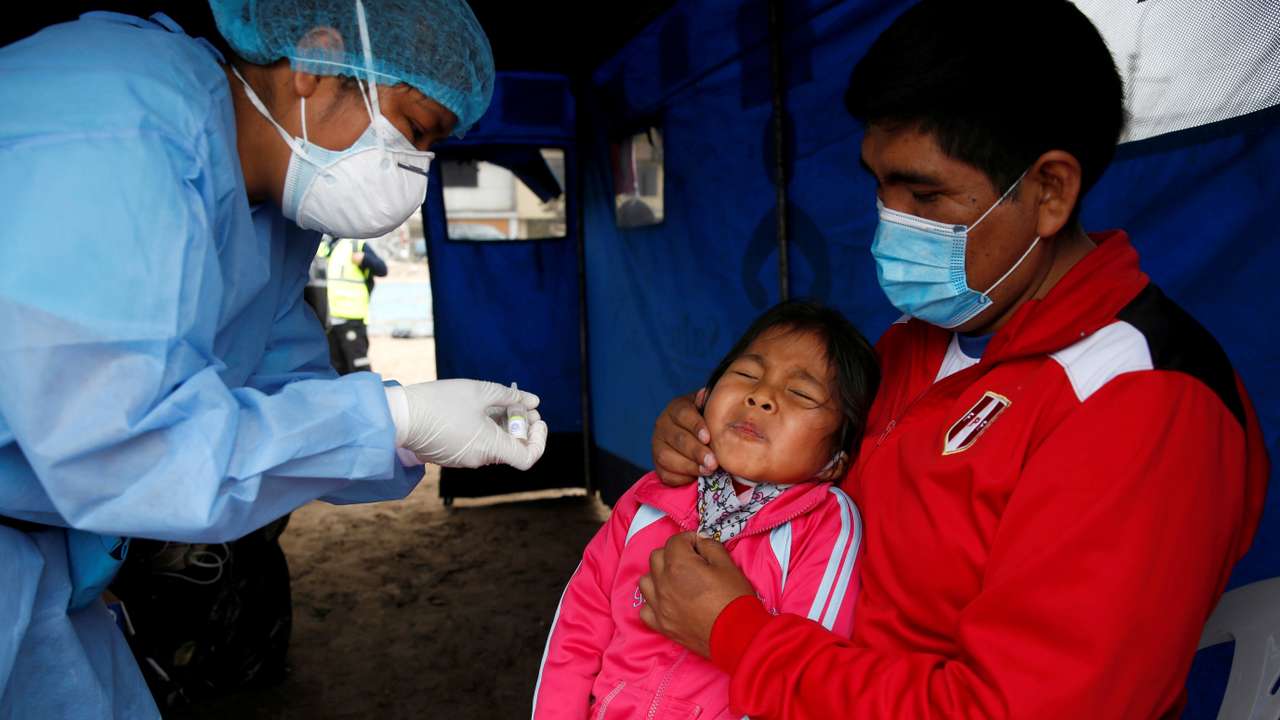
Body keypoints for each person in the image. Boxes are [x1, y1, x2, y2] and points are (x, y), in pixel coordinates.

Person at [643, 2, 1270, 717]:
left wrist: (740, 636)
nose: (890, 220)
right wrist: (709, 436)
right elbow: (810, 475)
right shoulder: (921, 339)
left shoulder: (1143, 404)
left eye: (926, 193)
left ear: (1050, 190)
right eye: (880, 184)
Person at [0, 1, 548, 716]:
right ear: (319, 64)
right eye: (413, 131)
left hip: (46, 566)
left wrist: (410, 424)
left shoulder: (273, 223)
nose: (414, 172)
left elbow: (288, 391)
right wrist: (393, 417)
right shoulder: (116, 124)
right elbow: (127, 449)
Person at [531, 301, 879, 718]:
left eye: (801, 393)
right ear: (703, 399)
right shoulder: (649, 499)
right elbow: (578, 628)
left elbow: (797, 680)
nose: (761, 396)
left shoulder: (824, 525)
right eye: (747, 374)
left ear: (837, 458)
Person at [318, 235, 388, 374]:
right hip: (329, 321)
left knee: (358, 366)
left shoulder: (356, 245)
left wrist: (363, 259)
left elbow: (382, 269)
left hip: (352, 319)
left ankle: (367, 394)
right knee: (335, 368)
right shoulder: (323, 247)